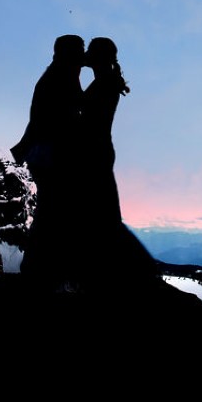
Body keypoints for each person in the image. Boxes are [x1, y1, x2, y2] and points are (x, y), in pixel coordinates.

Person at [74, 37, 159, 288]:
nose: (86, 54)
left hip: (94, 152)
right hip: (99, 150)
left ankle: (134, 270)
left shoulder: (104, 84)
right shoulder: (105, 81)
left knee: (102, 214)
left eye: (91, 51)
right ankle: (128, 270)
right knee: (104, 211)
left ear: (99, 57)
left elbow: (83, 113)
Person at [12, 34, 85, 284]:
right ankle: (41, 273)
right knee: (53, 211)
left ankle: (40, 270)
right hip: (51, 154)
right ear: (70, 53)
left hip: (44, 153)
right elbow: (71, 112)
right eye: (80, 50)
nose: (83, 54)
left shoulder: (60, 72)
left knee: (52, 210)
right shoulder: (61, 77)